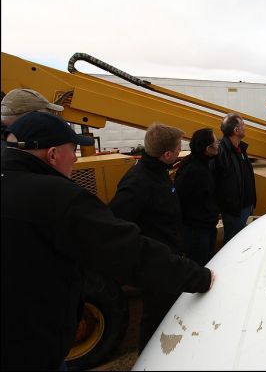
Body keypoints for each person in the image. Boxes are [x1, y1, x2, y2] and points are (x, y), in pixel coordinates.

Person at [1, 112, 214, 371]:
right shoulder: (58, 197)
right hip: (32, 348)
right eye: (73, 150)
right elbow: (124, 247)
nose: (75, 159)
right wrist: (198, 277)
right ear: (53, 154)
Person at [109, 122, 190, 354]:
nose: (180, 151)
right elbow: (116, 221)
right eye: (178, 147)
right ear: (167, 154)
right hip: (155, 265)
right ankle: (147, 359)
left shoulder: (157, 172)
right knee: (155, 319)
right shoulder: (139, 182)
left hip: (168, 258)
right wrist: (144, 254)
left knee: (169, 313)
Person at [174, 128, 220, 266]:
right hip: (197, 231)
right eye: (216, 142)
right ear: (208, 148)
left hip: (205, 226)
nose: (218, 144)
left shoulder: (201, 163)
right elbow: (181, 199)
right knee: (200, 265)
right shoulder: (193, 170)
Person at [214, 113, 256, 244]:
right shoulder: (222, 151)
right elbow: (217, 181)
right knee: (234, 242)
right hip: (234, 210)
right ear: (236, 130)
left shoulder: (240, 148)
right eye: (243, 125)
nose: (245, 127)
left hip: (245, 206)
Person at [1, 88, 64, 155]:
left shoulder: (11, 141)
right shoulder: (10, 150)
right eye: (43, 116)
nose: (46, 121)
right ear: (27, 116)